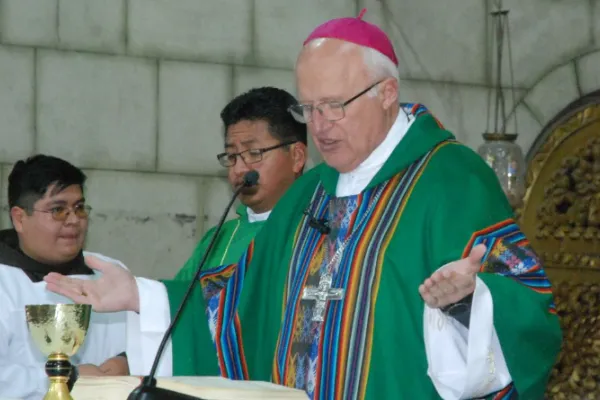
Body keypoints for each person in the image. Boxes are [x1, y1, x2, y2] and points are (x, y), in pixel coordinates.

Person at [44, 10, 562, 400]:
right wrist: (142, 295)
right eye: (307, 107)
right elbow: (239, 303)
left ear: (386, 93)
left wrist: (470, 300)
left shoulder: (452, 180)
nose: (319, 125)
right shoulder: (310, 192)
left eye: (335, 105)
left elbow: (532, 309)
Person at [0, 155, 130, 399]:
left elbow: (153, 341)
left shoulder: (110, 272)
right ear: (19, 218)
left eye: (79, 208)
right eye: (58, 210)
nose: (74, 220)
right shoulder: (4, 279)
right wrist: (68, 378)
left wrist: (128, 362)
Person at [174, 86, 308, 281]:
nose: (238, 170)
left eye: (254, 153)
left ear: (297, 157)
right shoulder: (218, 240)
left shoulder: (322, 230)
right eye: (231, 156)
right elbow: (178, 305)